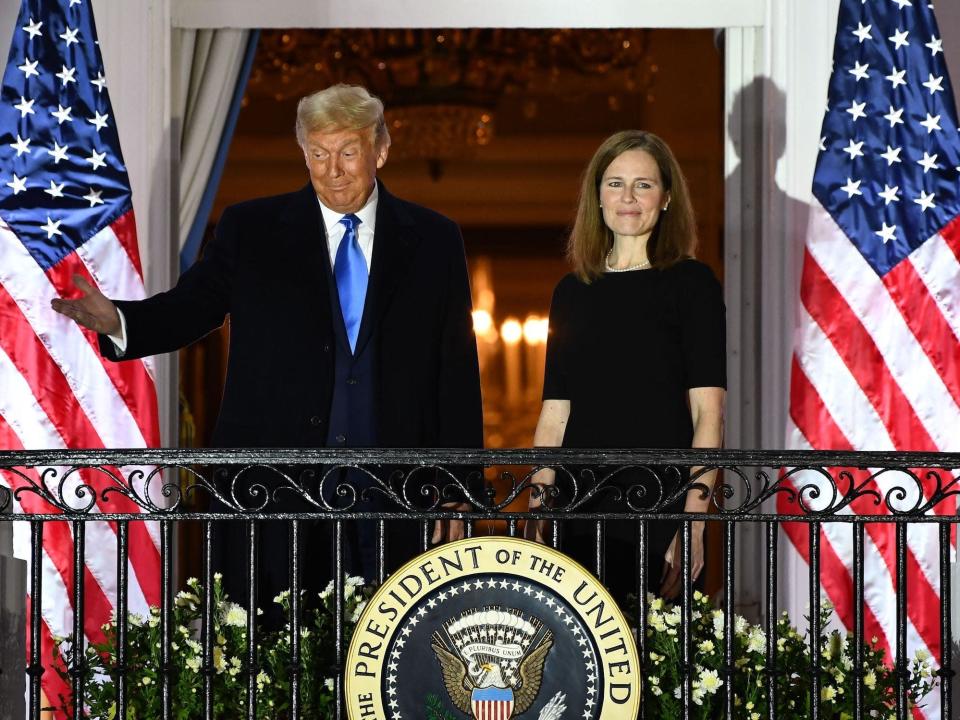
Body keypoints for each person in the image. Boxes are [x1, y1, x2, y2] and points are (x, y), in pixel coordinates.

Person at [51, 84, 483, 618]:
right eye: (318, 154)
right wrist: (120, 318)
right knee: (278, 655)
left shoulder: (435, 240)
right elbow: (193, 306)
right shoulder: (250, 229)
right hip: (275, 489)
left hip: (393, 493)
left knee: (390, 648)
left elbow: (455, 368)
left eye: (348, 152)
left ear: (381, 150)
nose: (333, 170)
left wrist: (459, 486)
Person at [524, 129, 725, 603]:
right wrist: (537, 510)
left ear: (667, 197)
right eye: (615, 184)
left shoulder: (692, 284)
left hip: (659, 505)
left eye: (644, 184)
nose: (628, 198)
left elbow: (708, 415)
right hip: (578, 506)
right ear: (597, 197)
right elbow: (555, 415)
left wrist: (693, 524)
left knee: (655, 663)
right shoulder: (571, 292)